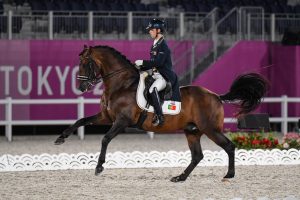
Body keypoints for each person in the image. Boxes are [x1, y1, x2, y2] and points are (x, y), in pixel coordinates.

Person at [135, 18, 181, 127]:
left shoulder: (163, 46)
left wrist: (143, 62)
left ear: (158, 30)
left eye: (151, 30)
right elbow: (152, 63)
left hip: (164, 77)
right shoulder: (155, 45)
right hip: (156, 75)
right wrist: (141, 67)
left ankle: (160, 116)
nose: (149, 32)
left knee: (152, 89)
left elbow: (158, 62)